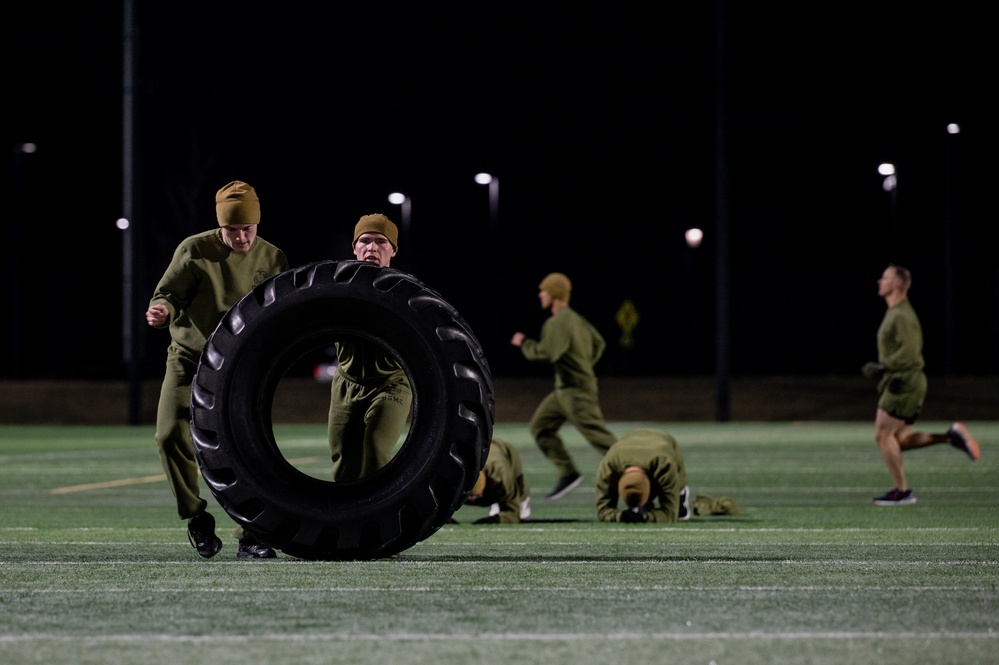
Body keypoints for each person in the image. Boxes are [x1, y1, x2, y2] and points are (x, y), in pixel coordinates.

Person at [146, 180, 289, 559]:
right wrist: (162, 311)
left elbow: (280, 315)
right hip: (189, 359)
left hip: (239, 368)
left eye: (248, 229)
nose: (241, 237)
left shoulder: (273, 259)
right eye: (232, 230)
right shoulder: (194, 250)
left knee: (248, 449)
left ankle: (251, 533)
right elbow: (168, 295)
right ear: (219, 226)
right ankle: (196, 517)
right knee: (167, 435)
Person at [864, 264, 980, 507]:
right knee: (899, 440)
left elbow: (911, 353)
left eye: (884, 277)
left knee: (882, 435)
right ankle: (951, 437)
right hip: (907, 382)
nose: (879, 281)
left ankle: (902, 491)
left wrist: (884, 367)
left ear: (897, 284)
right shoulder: (896, 311)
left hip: (904, 383)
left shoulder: (901, 315)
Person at [511, 272, 617, 501]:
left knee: (600, 438)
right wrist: (582, 363)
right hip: (565, 390)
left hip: (575, 390)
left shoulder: (557, 322)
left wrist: (524, 344)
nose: (541, 295)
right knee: (540, 427)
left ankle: (637, 465)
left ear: (555, 294)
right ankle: (568, 473)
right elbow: (599, 343)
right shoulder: (577, 319)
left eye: (544, 291)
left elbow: (547, 353)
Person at [327, 214, 413, 482]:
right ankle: (346, 522)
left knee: (376, 450)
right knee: (344, 466)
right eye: (365, 241)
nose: (372, 248)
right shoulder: (336, 287)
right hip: (346, 383)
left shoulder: (406, 292)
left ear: (393, 250)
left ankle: (379, 520)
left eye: (381, 242)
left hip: (391, 382)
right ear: (355, 247)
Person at [595, 428, 691, 523]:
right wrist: (621, 517)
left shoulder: (663, 465)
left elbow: (670, 513)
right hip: (631, 437)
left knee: (680, 511)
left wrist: (646, 517)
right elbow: (602, 510)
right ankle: (644, 504)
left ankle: (681, 491)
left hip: (664, 441)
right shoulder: (609, 466)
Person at [462, 437, 532, 524]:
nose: (472, 500)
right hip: (478, 445)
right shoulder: (452, 479)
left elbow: (513, 511)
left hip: (504, 450)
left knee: (522, 514)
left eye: (475, 496)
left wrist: (497, 519)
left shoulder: (502, 478)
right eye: (468, 496)